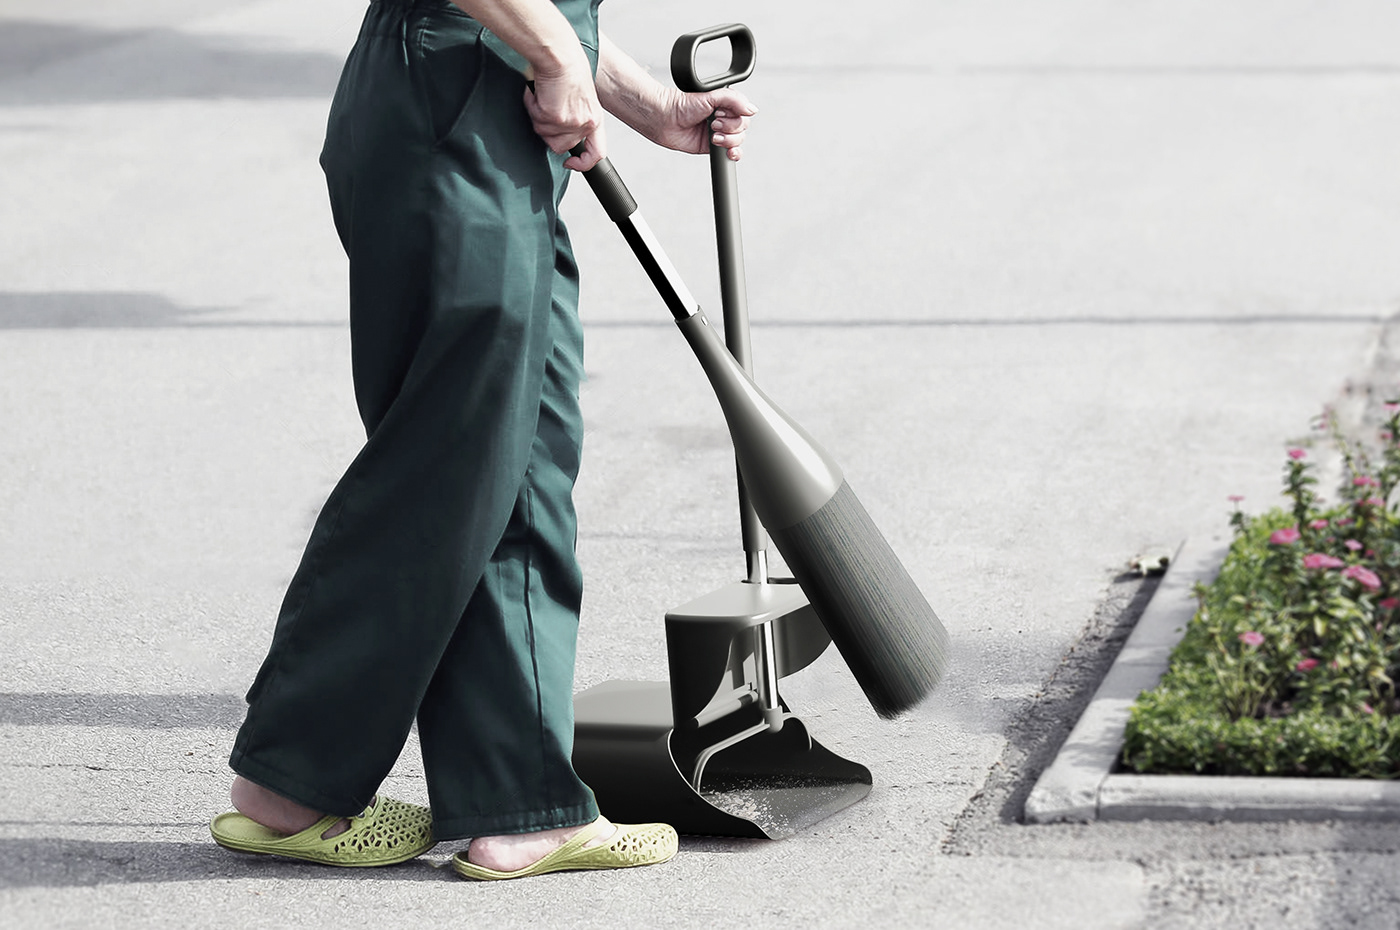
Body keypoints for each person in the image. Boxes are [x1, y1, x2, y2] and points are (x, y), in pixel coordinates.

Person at [208, 0, 755, 880]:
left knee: (524, 457)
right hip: (457, 110)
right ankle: (291, 780)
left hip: (480, 106)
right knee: (447, 466)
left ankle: (521, 799)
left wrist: (640, 99)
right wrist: (554, 58)